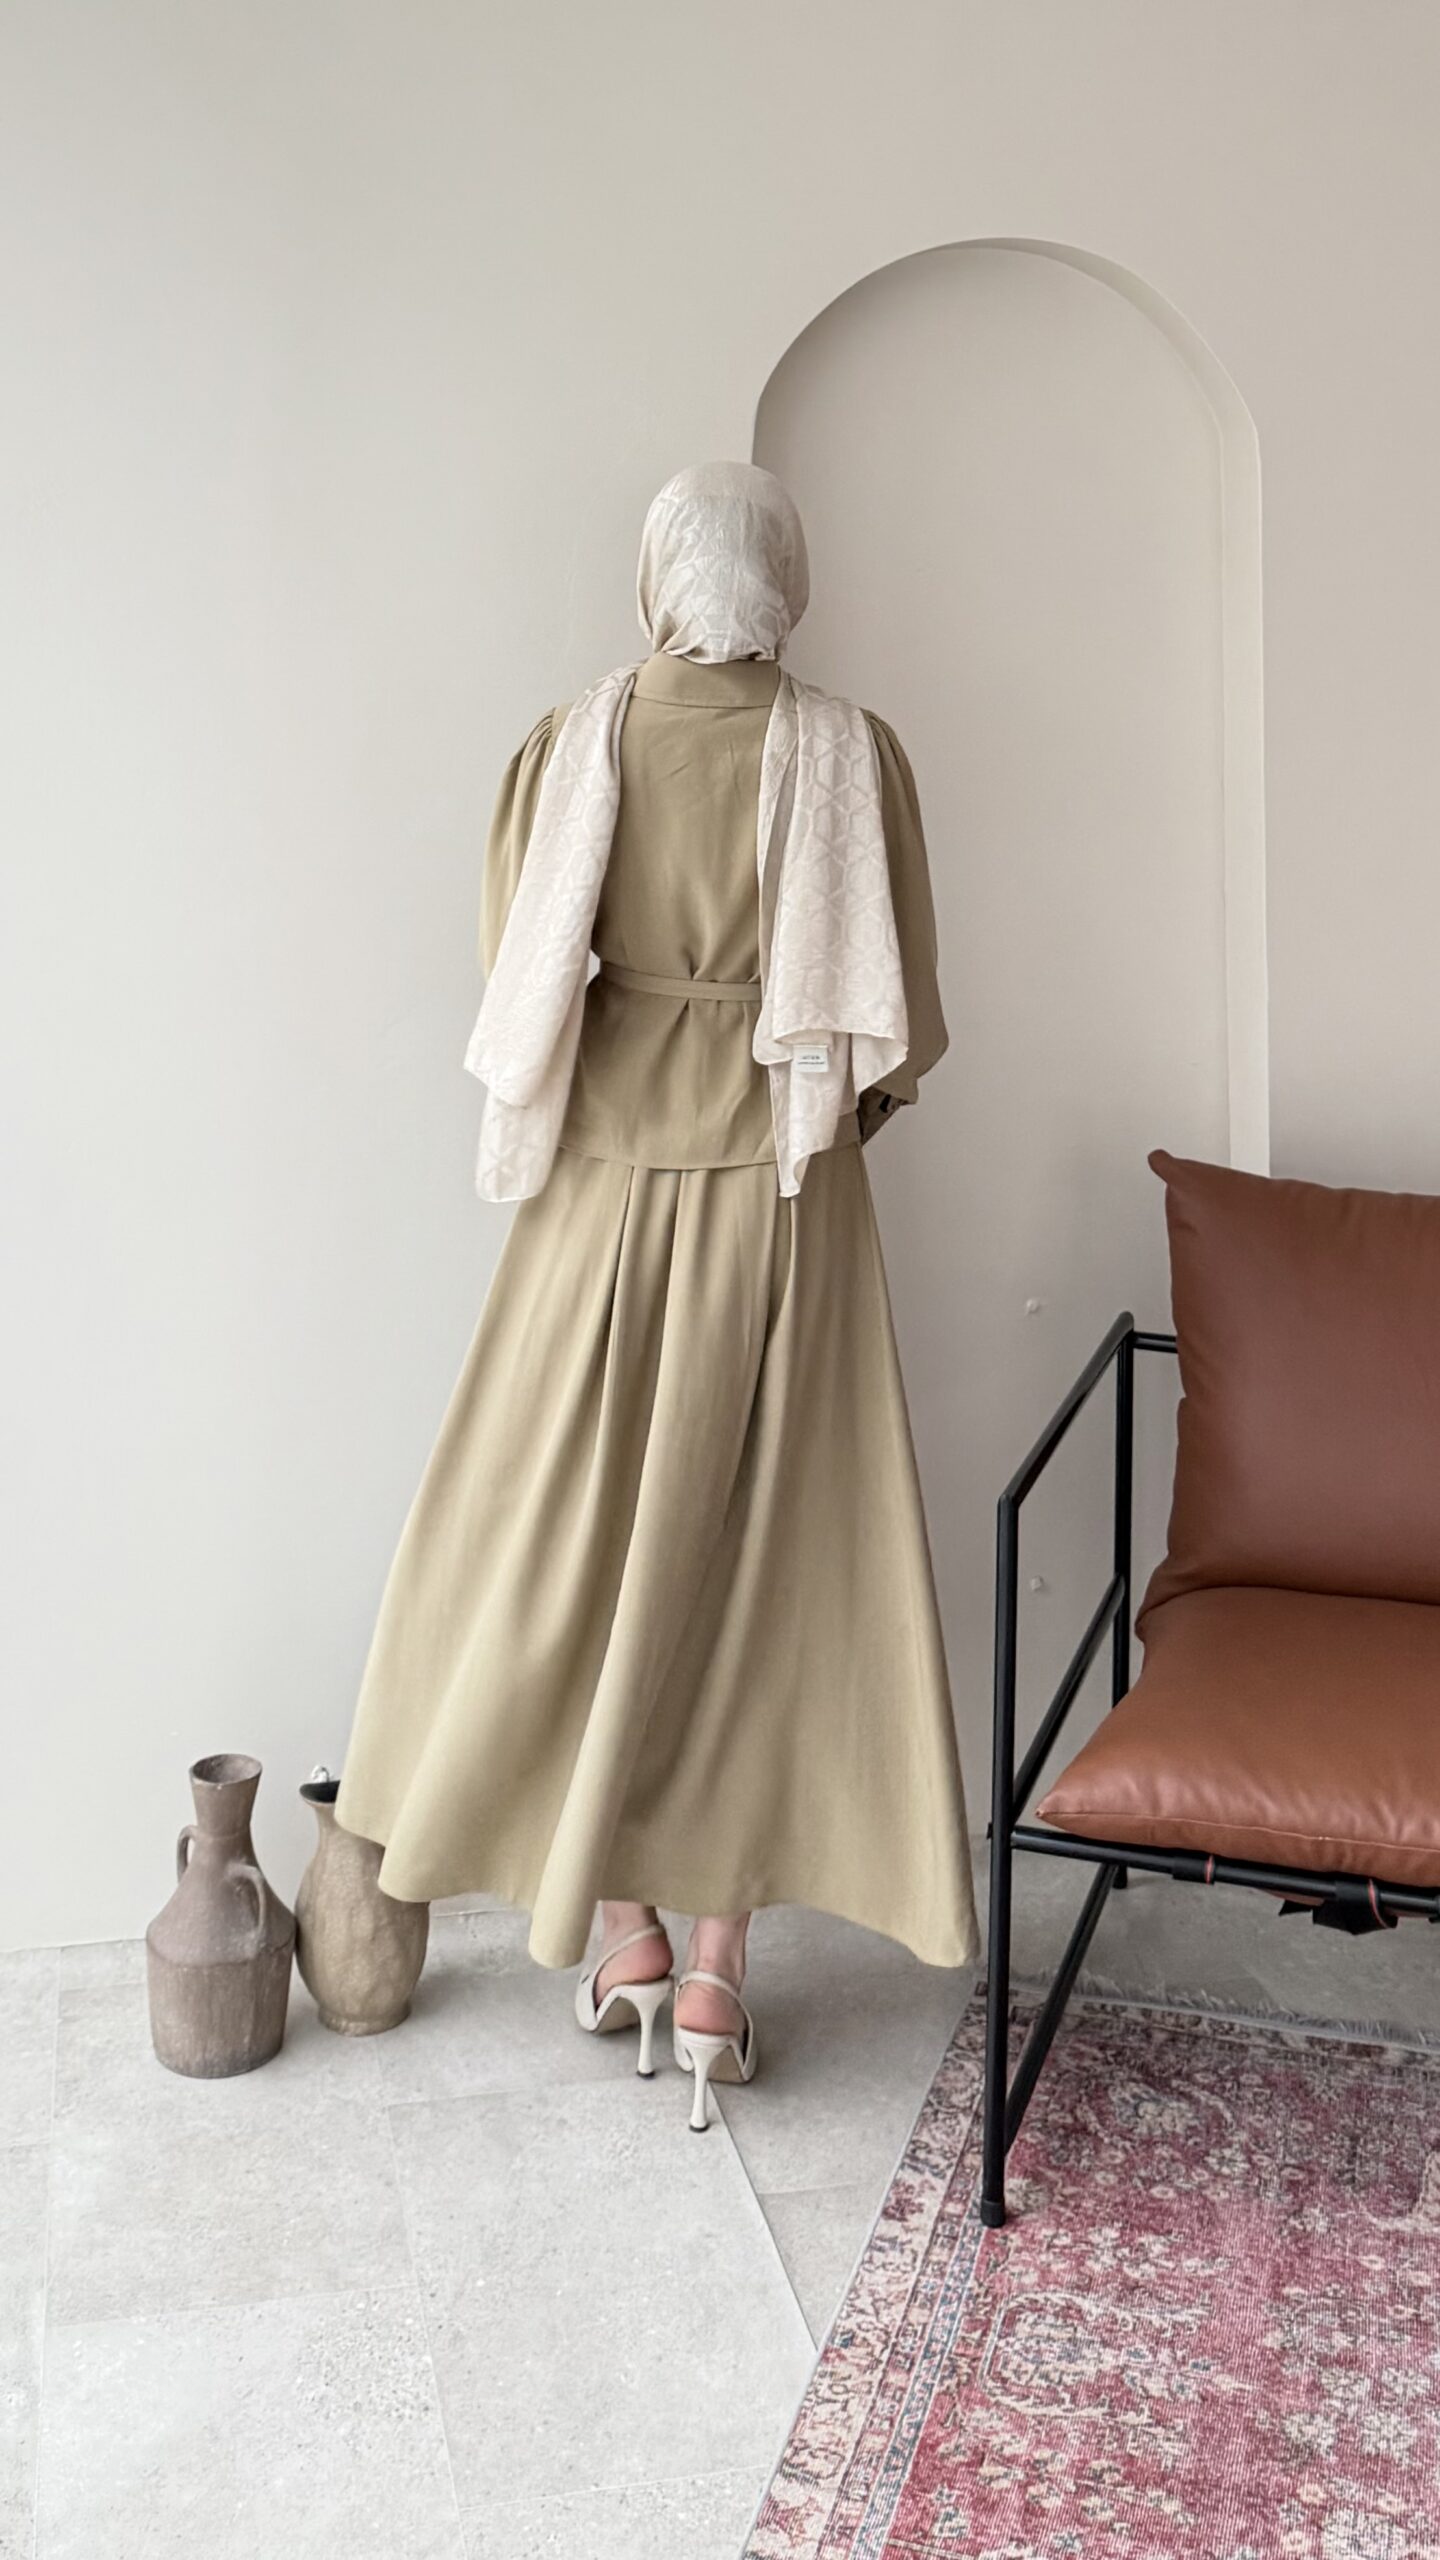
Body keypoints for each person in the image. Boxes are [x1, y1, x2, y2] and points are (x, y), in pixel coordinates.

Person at [337, 461, 976, 2129]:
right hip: (788, 1196)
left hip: (600, 1198)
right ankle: (713, 1972)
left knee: (566, 1540)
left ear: (657, 577)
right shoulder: (854, 752)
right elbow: (897, 1019)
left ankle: (615, 1925)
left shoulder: (572, 741)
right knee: (770, 1563)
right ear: (787, 577)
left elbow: (519, 980)